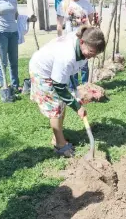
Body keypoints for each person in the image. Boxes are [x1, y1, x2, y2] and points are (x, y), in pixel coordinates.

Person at [29, 25, 105, 157]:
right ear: (82, 42)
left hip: (55, 71)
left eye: (95, 54)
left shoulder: (80, 43)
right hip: (42, 72)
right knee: (56, 109)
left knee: (61, 105)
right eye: (91, 52)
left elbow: (69, 73)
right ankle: (60, 145)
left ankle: (57, 137)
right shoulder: (67, 55)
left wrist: (75, 94)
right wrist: (77, 107)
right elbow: (59, 86)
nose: (92, 57)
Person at [57, 0, 94, 87]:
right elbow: (59, 24)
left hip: (84, 39)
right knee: (72, 63)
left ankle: (85, 86)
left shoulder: (86, 3)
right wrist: (60, 39)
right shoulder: (63, 4)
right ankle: (74, 88)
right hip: (69, 40)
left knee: (84, 64)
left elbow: (91, 21)